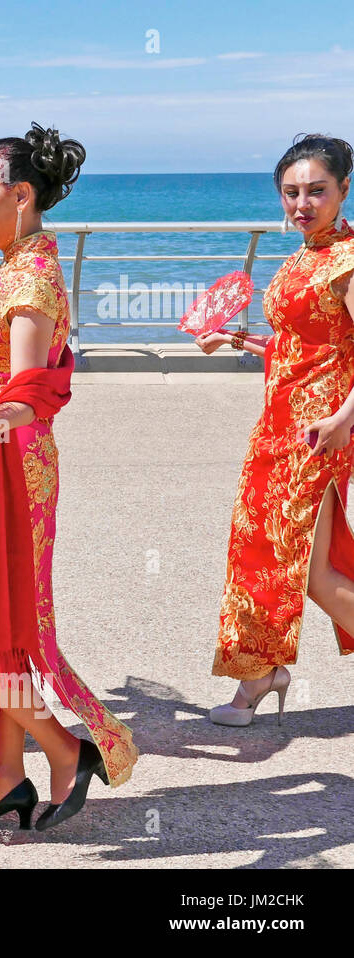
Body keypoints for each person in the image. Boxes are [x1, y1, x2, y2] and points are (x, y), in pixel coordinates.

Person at [0, 125, 138, 830]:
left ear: (21, 195)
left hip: (9, 467)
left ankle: (66, 749)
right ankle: (8, 779)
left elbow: (26, 391)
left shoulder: (33, 278)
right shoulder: (17, 267)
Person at [196, 134, 354, 725]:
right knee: (257, 548)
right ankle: (261, 672)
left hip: (321, 428)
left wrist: (342, 419)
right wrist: (233, 339)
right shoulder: (301, 257)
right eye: (292, 192)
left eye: (317, 190)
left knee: (307, 567)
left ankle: (260, 677)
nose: (302, 203)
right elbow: (299, 347)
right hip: (278, 425)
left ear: (343, 190)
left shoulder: (346, 261)